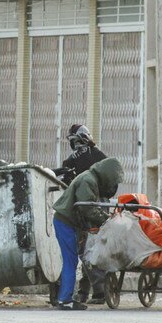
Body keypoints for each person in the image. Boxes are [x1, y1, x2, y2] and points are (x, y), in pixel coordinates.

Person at [52, 157, 124, 310]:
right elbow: (87, 208)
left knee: (71, 261)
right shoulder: (88, 180)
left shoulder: (89, 178)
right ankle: (65, 300)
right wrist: (106, 221)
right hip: (65, 222)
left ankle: (64, 298)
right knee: (70, 261)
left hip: (67, 222)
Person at [62, 124, 108, 304]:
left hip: (86, 210)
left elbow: (67, 183)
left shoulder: (73, 160)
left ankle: (98, 292)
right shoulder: (100, 157)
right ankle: (85, 291)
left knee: (87, 251)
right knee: (93, 250)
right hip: (99, 207)